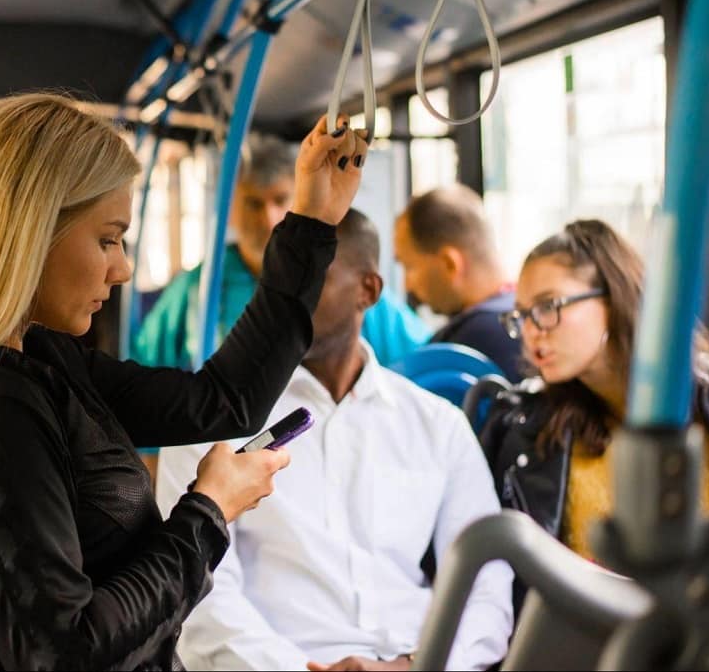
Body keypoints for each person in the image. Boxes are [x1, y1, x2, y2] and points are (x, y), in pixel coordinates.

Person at [0, 94, 369, 668]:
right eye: (108, 239)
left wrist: (313, 223)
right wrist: (207, 512)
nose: (123, 269)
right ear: (30, 234)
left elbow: (223, 401)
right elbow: (65, 654)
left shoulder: (41, 361)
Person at [156, 209, 512, 671]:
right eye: (278, 280)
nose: (287, 299)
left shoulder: (437, 425)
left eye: (312, 278)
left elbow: (487, 583)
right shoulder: (209, 424)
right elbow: (198, 592)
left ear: (369, 290)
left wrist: (412, 666)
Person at [481, 220, 709, 562]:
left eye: (548, 307)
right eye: (521, 316)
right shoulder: (529, 428)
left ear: (613, 296)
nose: (532, 332)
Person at [135, 133, 430, 371]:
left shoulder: (343, 284)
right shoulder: (201, 285)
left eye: (280, 199)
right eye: (253, 203)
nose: (269, 218)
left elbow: (423, 354)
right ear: (232, 209)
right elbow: (144, 364)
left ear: (302, 200)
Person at [394, 185, 524, 380]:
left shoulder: (460, 349)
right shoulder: (530, 322)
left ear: (450, 263)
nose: (407, 285)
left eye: (410, 267)